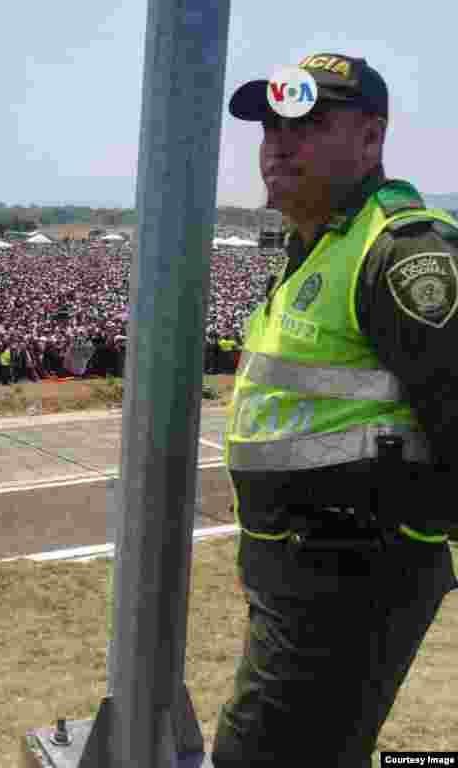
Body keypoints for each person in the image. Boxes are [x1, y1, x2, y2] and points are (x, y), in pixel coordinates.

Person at [214, 53, 458, 767]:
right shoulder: (317, 247)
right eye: (269, 128)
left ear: (372, 140)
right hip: (300, 575)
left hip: (349, 582)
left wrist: (396, 530)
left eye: (310, 123)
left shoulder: (402, 252)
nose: (278, 144)